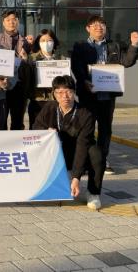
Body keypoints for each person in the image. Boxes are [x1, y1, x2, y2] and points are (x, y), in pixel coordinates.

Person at [71, 15, 138, 175]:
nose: (99, 27)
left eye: (102, 24)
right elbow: (76, 66)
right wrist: (83, 80)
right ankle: (86, 159)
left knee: (105, 130)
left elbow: (127, 61)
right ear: (88, 28)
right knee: (86, 128)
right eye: (94, 25)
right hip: (88, 94)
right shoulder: (80, 46)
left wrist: (134, 44)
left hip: (108, 95)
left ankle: (102, 160)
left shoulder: (114, 46)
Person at [33, 76, 104, 210]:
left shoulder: (86, 113)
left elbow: (83, 145)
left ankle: (93, 193)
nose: (65, 96)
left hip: (79, 152)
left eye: (68, 92)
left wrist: (76, 177)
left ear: (74, 92)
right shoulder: (49, 107)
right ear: (54, 94)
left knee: (96, 153)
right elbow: (36, 127)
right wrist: (46, 131)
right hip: (58, 152)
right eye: (60, 92)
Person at [0, 10, 34, 130]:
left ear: (18, 21)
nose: (11, 22)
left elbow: (33, 64)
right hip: (2, 86)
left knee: (18, 122)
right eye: (8, 20)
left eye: (14, 19)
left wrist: (26, 58)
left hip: (20, 85)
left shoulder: (27, 42)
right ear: (3, 23)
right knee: (0, 122)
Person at [28, 29, 66, 128]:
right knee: (37, 130)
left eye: (49, 40)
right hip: (38, 99)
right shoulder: (31, 58)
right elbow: (27, 79)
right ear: (38, 42)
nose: (46, 43)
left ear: (54, 42)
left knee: (56, 130)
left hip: (57, 100)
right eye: (43, 41)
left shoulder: (62, 58)